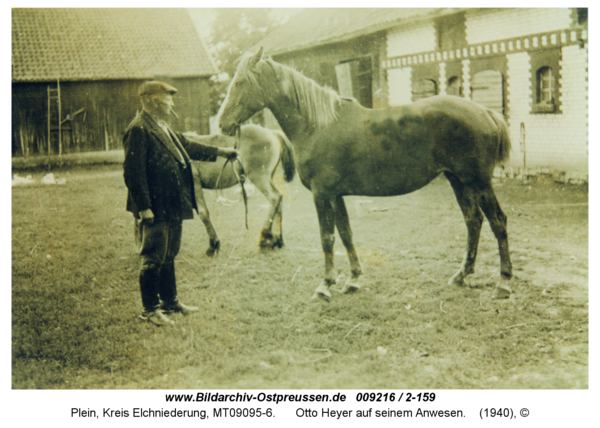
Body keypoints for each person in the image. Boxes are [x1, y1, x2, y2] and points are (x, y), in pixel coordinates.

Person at [123, 80, 238, 326]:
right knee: (153, 256)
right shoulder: (139, 128)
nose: (172, 102)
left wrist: (221, 152)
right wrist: (144, 208)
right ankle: (149, 310)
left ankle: (169, 301)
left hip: (174, 202)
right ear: (152, 99)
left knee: (169, 254)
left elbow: (187, 146)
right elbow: (133, 173)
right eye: (168, 97)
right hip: (154, 206)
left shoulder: (162, 125)